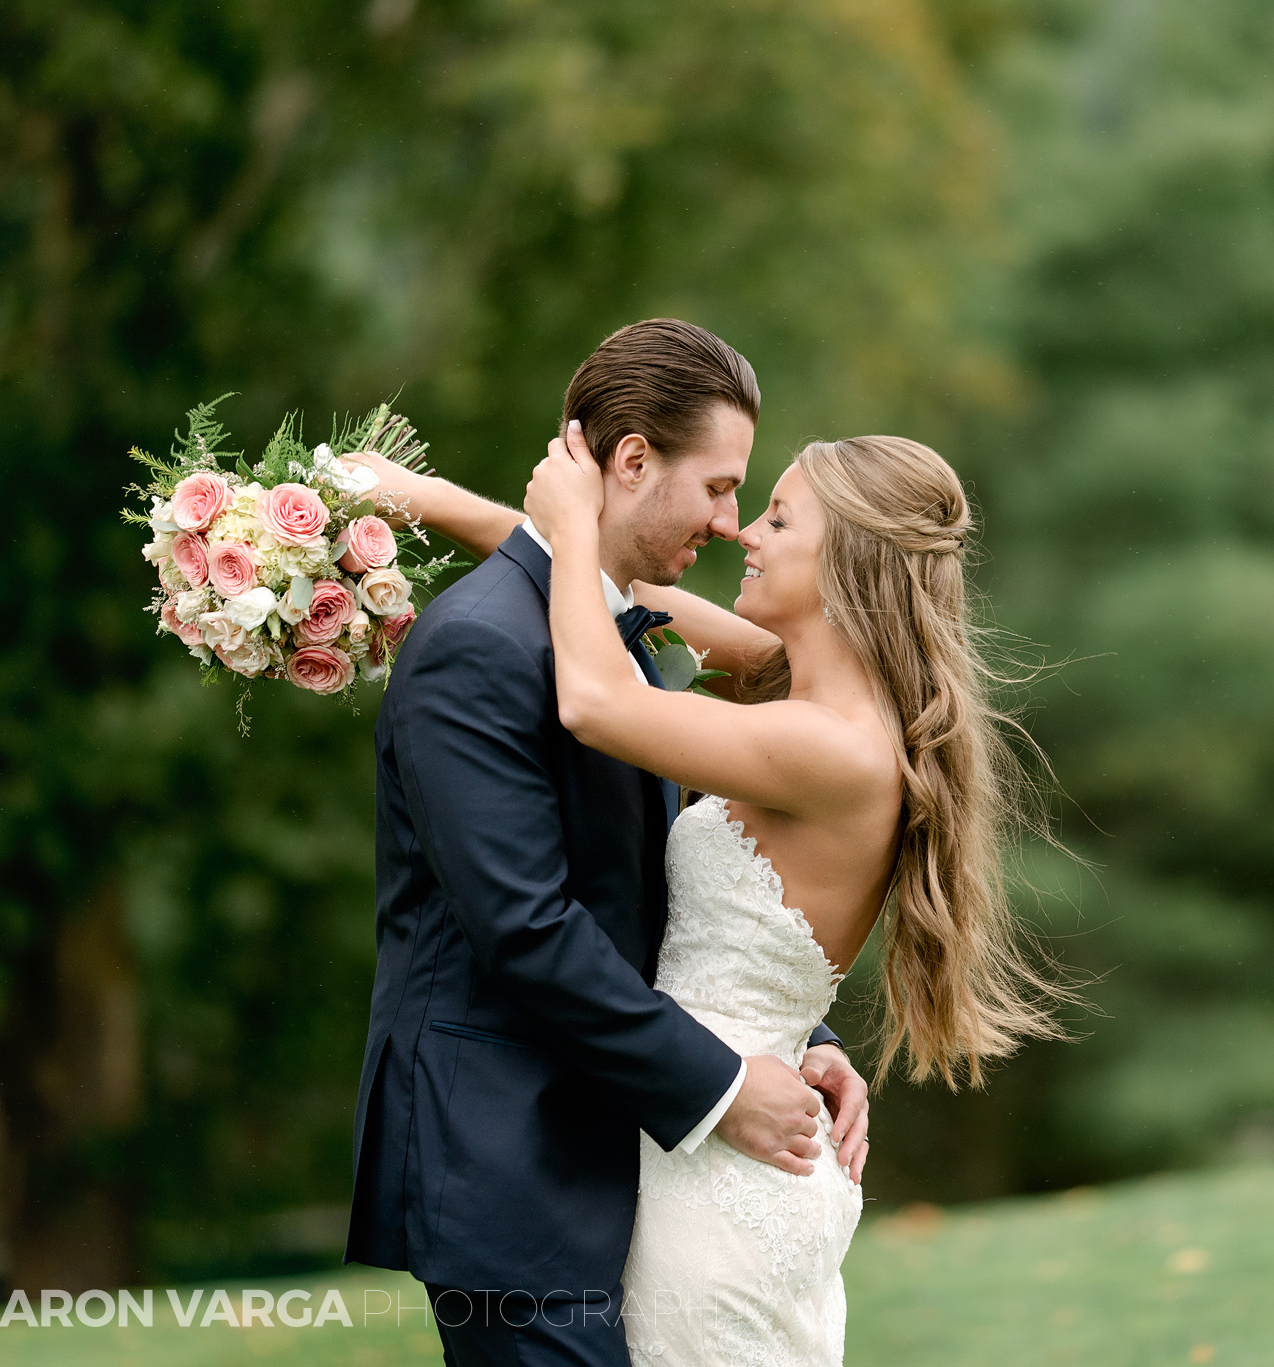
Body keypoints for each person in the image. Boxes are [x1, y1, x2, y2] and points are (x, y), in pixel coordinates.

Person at [351, 323, 1067, 1366]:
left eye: (773, 513)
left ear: (848, 563)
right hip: (681, 1126)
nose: (744, 530)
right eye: (737, 496)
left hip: (721, 1154)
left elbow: (594, 690)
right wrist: (443, 503)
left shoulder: (824, 740)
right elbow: (607, 593)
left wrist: (565, 514)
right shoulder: (794, 674)